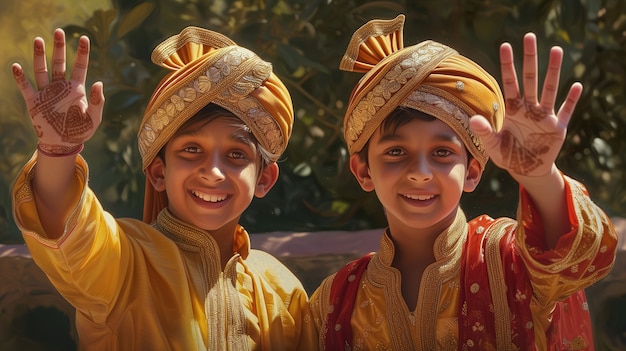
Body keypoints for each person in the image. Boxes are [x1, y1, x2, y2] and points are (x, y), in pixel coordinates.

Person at [309, 14, 617, 350]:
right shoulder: (334, 301)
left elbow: (581, 255)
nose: (420, 172)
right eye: (396, 151)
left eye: (442, 152)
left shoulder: (509, 259)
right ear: (363, 171)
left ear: (472, 171)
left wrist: (540, 176)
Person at [11, 26, 318, 350]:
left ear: (264, 179)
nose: (213, 172)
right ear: (158, 172)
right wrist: (58, 151)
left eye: (236, 155)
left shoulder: (283, 292)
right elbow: (68, 226)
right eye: (191, 150)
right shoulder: (125, 263)